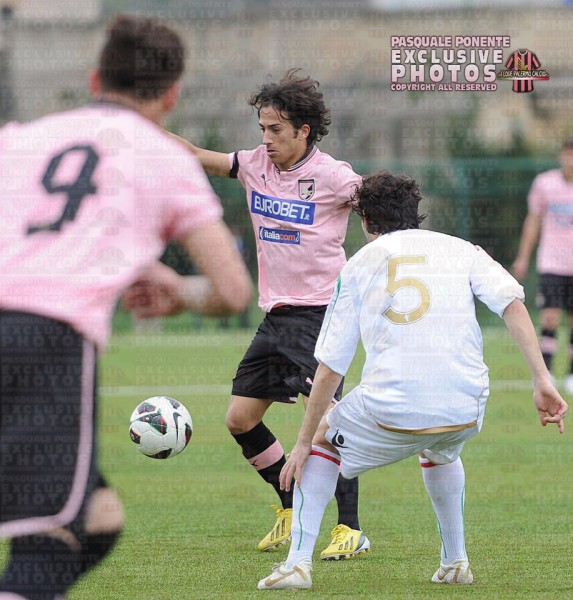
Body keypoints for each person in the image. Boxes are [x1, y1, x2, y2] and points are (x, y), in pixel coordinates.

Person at [0, 14, 252, 600]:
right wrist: (180, 292)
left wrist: (118, 262)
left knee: (98, 519)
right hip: (40, 342)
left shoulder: (19, 138)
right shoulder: (161, 156)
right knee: (48, 537)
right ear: (171, 96)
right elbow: (234, 290)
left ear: (95, 79)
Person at [257, 170, 568, 590]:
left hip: (393, 407)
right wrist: (542, 379)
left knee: (323, 437)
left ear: (366, 220)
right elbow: (512, 303)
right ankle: (455, 562)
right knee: (440, 448)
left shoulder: (359, 263)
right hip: (466, 405)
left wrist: (301, 442)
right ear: (415, 212)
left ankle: (297, 565)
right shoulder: (462, 249)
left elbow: (330, 366)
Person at [143, 68, 370, 558]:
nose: (265, 139)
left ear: (303, 131)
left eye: (275, 130)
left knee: (327, 422)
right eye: (262, 128)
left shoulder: (334, 176)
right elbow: (195, 155)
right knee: (240, 419)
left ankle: (350, 528)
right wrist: (143, 129)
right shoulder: (253, 165)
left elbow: (378, 206)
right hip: (276, 316)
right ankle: (289, 506)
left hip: (320, 316)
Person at [512, 137, 573, 395]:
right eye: (568, 154)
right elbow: (533, 221)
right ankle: (545, 373)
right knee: (549, 317)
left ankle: (571, 374)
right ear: (561, 156)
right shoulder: (544, 183)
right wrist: (523, 257)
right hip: (552, 263)